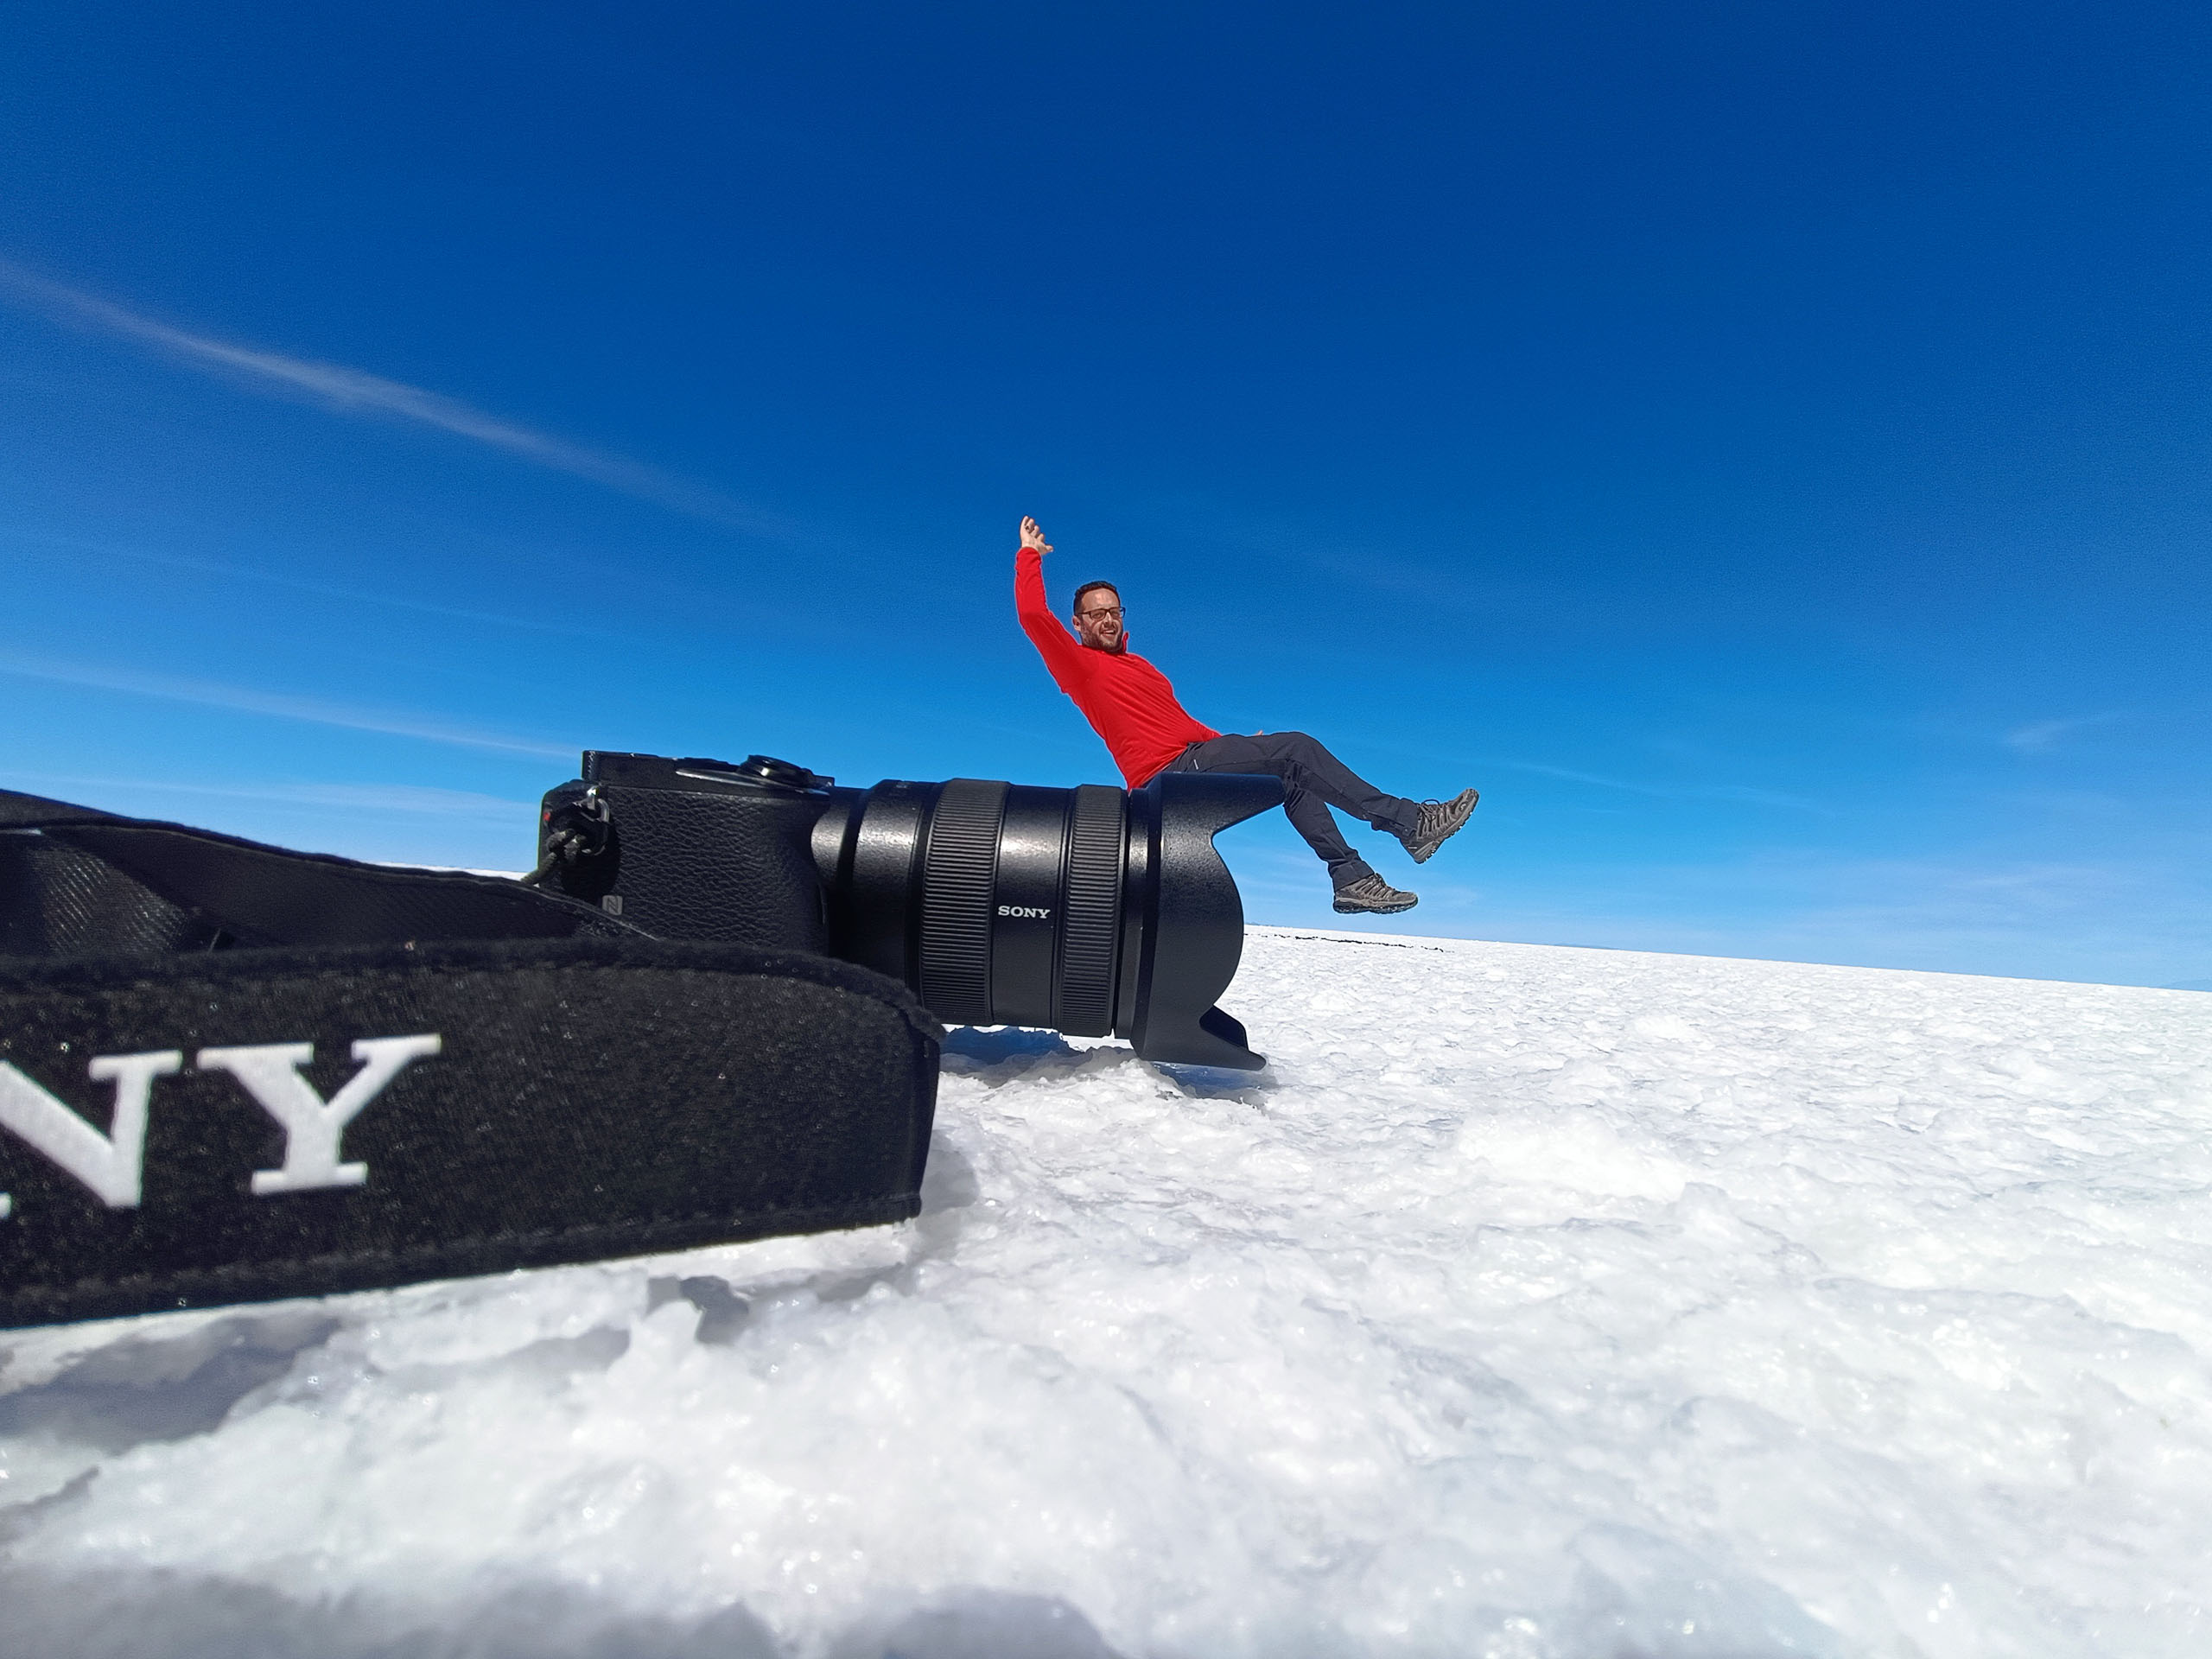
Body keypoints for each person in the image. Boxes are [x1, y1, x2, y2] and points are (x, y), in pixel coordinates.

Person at [1013, 515, 1478, 914]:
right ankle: (1411, 823)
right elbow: (1033, 615)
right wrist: (1029, 555)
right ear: (1077, 624)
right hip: (1164, 777)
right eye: (1097, 615)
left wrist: (1242, 746)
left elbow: (1183, 726)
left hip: (1191, 760)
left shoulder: (1141, 668)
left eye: (1114, 611)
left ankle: (1351, 878)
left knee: (1293, 776)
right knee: (1297, 748)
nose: (1109, 620)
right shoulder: (1079, 666)